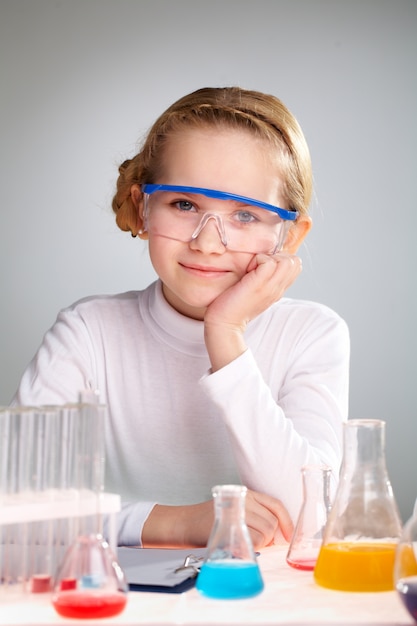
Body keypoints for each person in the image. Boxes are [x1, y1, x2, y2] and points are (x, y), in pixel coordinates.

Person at [13, 87, 350, 550]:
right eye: (185, 205)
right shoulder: (88, 332)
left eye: (246, 215)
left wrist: (226, 335)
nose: (208, 243)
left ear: (289, 237)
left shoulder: (312, 334)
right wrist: (171, 522)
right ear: (143, 207)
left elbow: (310, 515)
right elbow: (13, 505)